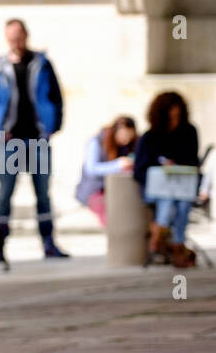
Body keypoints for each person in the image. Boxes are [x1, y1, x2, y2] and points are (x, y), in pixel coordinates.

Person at [0, 18, 68, 259]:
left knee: (42, 195)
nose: (16, 42)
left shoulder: (41, 63)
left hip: (37, 139)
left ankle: (49, 243)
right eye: (11, 38)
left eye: (19, 37)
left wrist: (53, 126)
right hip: (11, 143)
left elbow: (56, 96)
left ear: (26, 35)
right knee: (5, 195)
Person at [134, 91, 204, 265]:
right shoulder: (149, 137)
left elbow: (193, 162)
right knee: (167, 199)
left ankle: (162, 236)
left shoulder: (189, 132)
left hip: (182, 188)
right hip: (157, 190)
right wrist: (160, 170)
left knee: (183, 203)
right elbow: (139, 171)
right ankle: (174, 245)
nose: (174, 120)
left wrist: (176, 167)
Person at [74, 115, 137, 226]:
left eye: (129, 137)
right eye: (124, 135)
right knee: (111, 215)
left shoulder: (129, 145)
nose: (126, 140)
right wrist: (118, 165)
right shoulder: (96, 142)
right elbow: (91, 169)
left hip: (116, 190)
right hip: (94, 190)